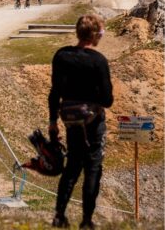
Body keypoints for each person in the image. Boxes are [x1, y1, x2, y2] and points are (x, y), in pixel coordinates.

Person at [48, 14, 113, 229]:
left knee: (72, 166)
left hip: (71, 121)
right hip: (93, 122)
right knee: (93, 167)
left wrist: (52, 121)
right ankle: (86, 221)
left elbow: (55, 92)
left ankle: (59, 216)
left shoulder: (61, 56)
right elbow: (107, 100)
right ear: (95, 35)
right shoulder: (99, 61)